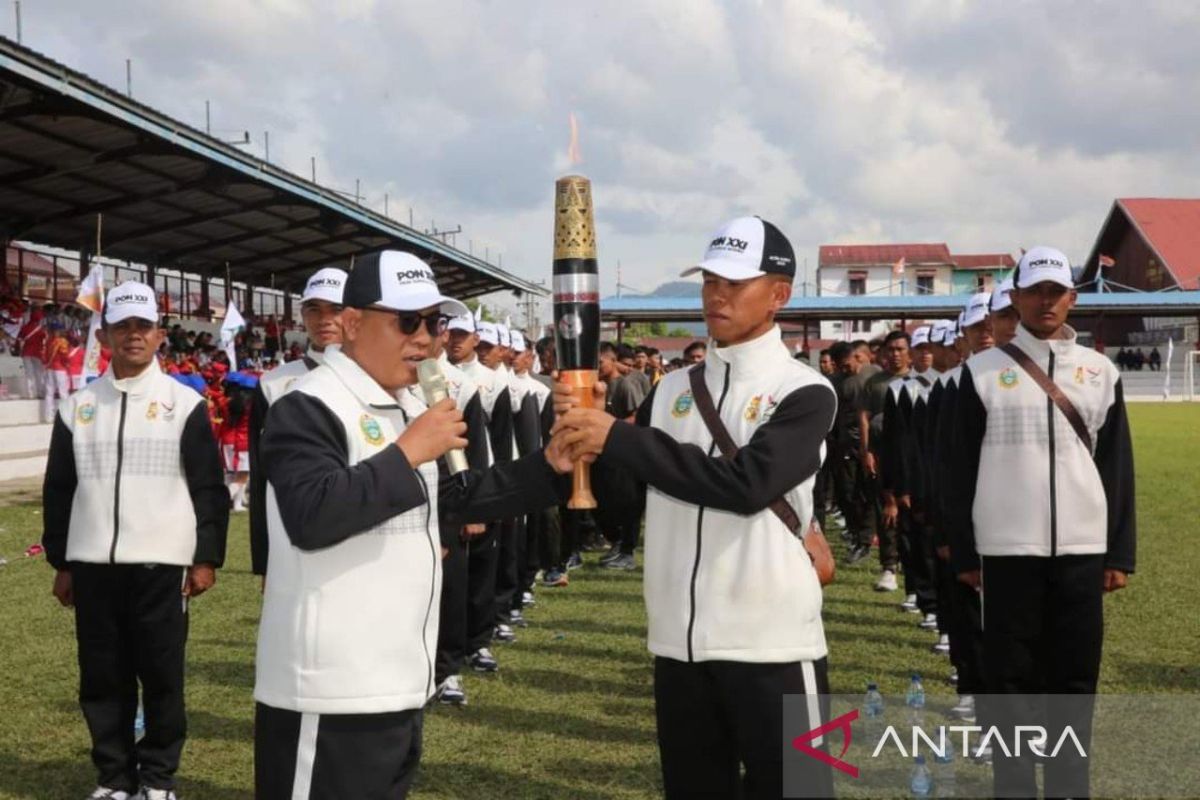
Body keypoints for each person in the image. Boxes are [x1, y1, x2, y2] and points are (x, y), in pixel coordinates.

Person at [253, 252, 574, 798]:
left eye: (434, 322)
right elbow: (312, 515)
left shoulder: (402, 408)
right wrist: (407, 453)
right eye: (408, 321)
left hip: (399, 679)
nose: (425, 339)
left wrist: (550, 466)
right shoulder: (309, 405)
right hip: (330, 692)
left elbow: (453, 497)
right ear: (352, 324)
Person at [553, 216, 836, 799]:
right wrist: (586, 441)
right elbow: (627, 499)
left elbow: (746, 485)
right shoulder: (674, 388)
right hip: (678, 645)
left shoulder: (804, 391)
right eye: (709, 280)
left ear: (778, 294)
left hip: (772, 644)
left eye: (734, 282)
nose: (716, 294)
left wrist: (620, 439)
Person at [947, 246, 1135, 799]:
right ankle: (1014, 787)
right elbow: (956, 470)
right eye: (1035, 291)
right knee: (1009, 683)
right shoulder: (980, 373)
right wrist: (964, 554)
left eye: (1056, 291)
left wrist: (1118, 552)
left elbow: (1116, 468)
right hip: (1006, 553)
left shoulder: (1101, 371)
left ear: (1072, 298)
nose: (1046, 301)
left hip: (1081, 551)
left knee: (1074, 681)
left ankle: (1068, 787)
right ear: (1016, 297)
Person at [41, 281, 229, 800]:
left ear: (159, 335)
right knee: (102, 678)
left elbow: (208, 489)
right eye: (122, 327)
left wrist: (206, 557)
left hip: (162, 567)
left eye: (142, 326)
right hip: (94, 565)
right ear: (104, 335)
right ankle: (114, 778)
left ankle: (158, 778)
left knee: (162, 677)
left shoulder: (184, 404)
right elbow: (59, 490)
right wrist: (63, 561)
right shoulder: (76, 407)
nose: (133, 336)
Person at [412, 310, 490, 707]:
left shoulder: (462, 384)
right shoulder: (395, 379)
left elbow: (473, 449)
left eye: (433, 326)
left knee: (451, 588)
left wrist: (470, 509)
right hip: (405, 502)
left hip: (449, 502)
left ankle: (448, 669)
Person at [248, 267, 347, 579]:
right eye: (314, 309)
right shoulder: (273, 383)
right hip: (289, 535)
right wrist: (264, 562)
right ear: (302, 316)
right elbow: (260, 474)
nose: (324, 319)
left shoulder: (379, 377)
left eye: (336, 309)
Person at [857, 329, 911, 592]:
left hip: (913, 457)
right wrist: (866, 450)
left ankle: (911, 566)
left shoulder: (918, 381)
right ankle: (889, 566)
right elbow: (864, 417)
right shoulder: (875, 382)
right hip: (883, 454)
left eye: (901, 349)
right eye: (891, 349)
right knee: (885, 510)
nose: (896, 354)